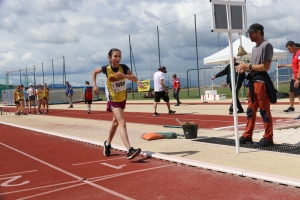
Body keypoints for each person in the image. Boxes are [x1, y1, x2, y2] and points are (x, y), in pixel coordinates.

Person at [92, 48, 141, 160]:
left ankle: (107, 144)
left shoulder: (124, 67)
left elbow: (134, 79)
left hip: (122, 97)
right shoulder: (106, 68)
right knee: (122, 122)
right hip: (113, 98)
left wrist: (124, 75)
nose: (118, 58)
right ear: (110, 58)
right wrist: (95, 86)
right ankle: (129, 150)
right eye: (115, 56)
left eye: (119, 56)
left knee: (115, 122)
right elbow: (94, 72)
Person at [237, 23, 276, 147]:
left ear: (259, 32)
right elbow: (255, 68)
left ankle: (268, 138)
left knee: (264, 111)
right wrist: (244, 69)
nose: (250, 35)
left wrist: (248, 66)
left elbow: (266, 67)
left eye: (251, 33)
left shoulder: (267, 45)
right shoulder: (254, 48)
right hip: (253, 83)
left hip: (262, 83)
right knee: (250, 110)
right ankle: (247, 136)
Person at [278, 42, 300, 115]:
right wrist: (283, 65)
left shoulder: (299, 54)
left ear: (294, 46)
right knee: (291, 92)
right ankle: (291, 107)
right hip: (294, 76)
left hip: (298, 77)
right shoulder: (294, 55)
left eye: (289, 49)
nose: (289, 51)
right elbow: (294, 65)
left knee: (299, 95)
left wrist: (298, 79)